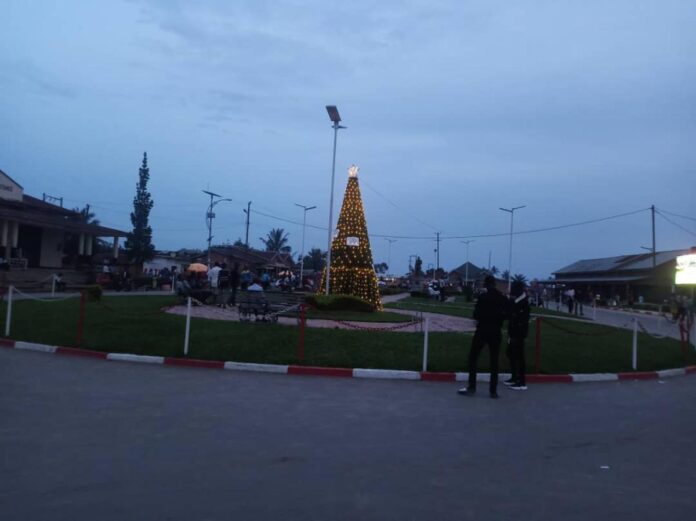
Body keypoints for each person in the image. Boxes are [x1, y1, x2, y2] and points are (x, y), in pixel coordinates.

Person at [459, 275, 509, 399]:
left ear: (486, 284)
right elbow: (507, 314)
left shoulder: (482, 297)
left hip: (482, 330)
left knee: (473, 358)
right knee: (494, 361)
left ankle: (472, 386)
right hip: (496, 331)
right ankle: (493, 390)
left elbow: (476, 314)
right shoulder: (502, 298)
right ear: (495, 284)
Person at [504, 280, 530, 391]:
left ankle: (522, 381)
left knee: (519, 356)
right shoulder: (516, 301)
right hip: (513, 332)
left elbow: (520, 318)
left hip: (518, 333)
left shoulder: (523, 302)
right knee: (511, 354)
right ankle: (514, 377)